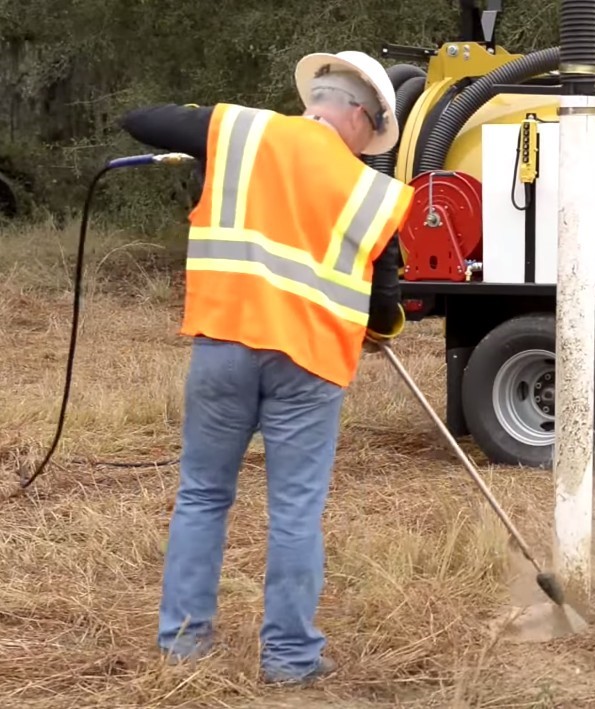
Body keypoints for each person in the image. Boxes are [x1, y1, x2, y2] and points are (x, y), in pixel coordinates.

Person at [118, 50, 417, 685]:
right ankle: (289, 660)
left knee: (202, 494)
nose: (367, 147)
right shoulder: (373, 193)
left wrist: (204, 126)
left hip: (225, 345)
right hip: (310, 367)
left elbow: (140, 119)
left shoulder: (242, 131)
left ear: (319, 101)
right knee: (295, 512)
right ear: (358, 115)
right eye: (371, 133)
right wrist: (378, 329)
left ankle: (183, 645)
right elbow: (386, 309)